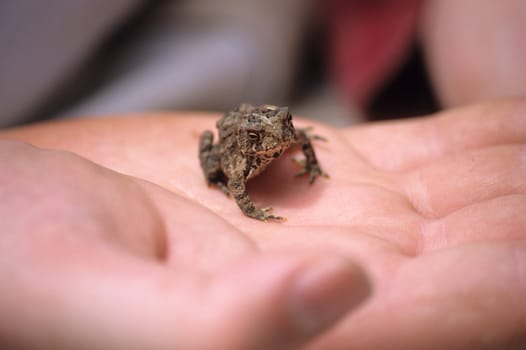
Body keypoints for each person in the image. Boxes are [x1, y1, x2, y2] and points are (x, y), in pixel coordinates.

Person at [1, 98, 525, 349]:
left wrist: (310, 164)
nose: (286, 137)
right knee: (211, 171)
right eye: (275, 135)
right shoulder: (242, 154)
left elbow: (296, 138)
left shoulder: (283, 134)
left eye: (287, 130)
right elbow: (235, 185)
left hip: (259, 82)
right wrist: (254, 210)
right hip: (219, 128)